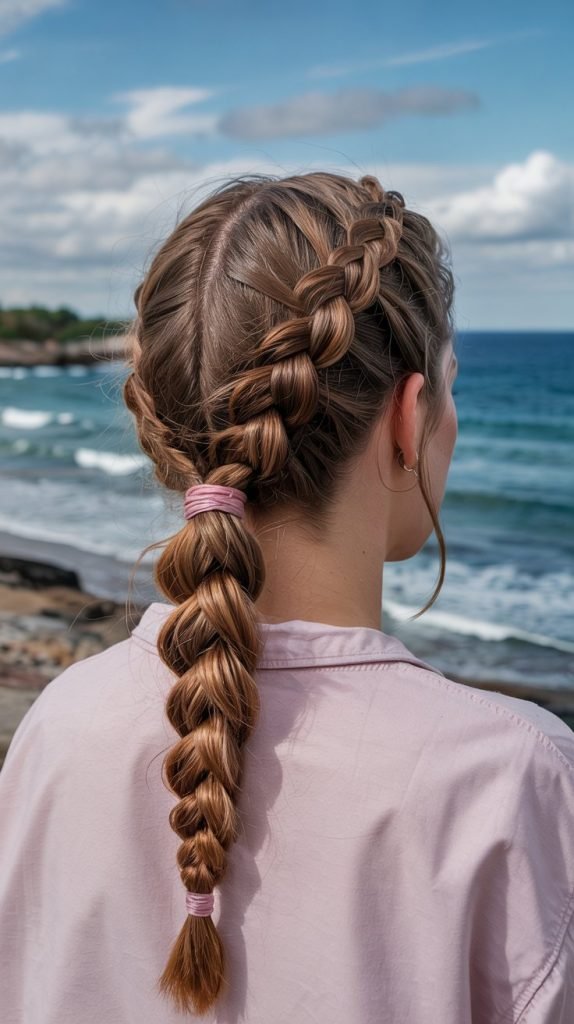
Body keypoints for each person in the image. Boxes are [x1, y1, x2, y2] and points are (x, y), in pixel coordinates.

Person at [1, 171, 573, 1024]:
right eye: (452, 384)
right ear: (410, 417)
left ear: (163, 425)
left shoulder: (55, 727)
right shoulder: (517, 780)